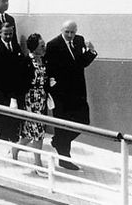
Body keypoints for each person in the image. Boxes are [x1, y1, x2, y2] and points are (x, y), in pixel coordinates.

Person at [45, 20, 98, 171]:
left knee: (83, 121)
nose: (70, 35)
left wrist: (91, 52)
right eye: (67, 32)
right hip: (61, 93)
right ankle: (64, 158)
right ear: (62, 30)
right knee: (63, 124)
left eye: (72, 32)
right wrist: (51, 88)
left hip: (78, 91)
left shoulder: (79, 40)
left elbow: (80, 63)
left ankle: (58, 142)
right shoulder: (53, 45)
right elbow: (51, 68)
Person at [0, 21, 25, 144]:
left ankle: (11, 136)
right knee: (2, 114)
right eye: (6, 34)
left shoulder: (16, 46)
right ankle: (3, 137)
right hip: (0, 87)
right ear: (0, 33)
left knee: (12, 113)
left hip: (13, 87)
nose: (8, 36)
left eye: (10, 34)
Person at [18, 33, 51, 168]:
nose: (44, 48)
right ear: (34, 47)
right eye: (41, 46)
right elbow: (20, 82)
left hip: (41, 100)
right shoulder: (26, 61)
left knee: (31, 132)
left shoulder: (44, 60)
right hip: (30, 100)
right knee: (38, 132)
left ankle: (14, 149)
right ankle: (38, 163)